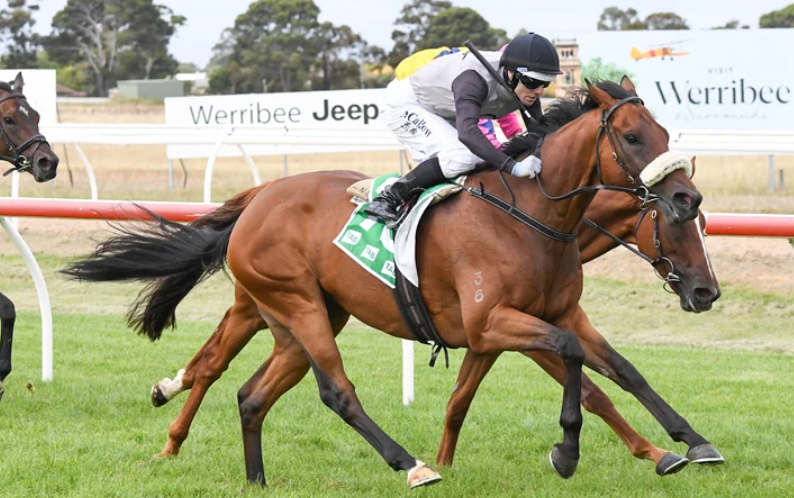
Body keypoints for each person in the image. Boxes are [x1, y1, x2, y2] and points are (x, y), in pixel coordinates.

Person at [365, 33, 562, 227]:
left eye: (545, 83)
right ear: (511, 74)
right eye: (533, 82)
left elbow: (540, 131)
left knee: (478, 159)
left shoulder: (525, 86)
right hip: (407, 104)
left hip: (442, 108)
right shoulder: (473, 79)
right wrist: (513, 167)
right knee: (462, 157)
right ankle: (388, 198)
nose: (539, 90)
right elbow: (467, 133)